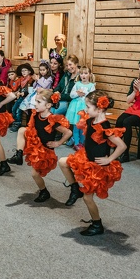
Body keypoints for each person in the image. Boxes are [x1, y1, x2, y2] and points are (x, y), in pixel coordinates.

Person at [59, 91, 126, 236]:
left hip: (97, 167)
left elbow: (122, 146)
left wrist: (109, 159)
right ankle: (74, 189)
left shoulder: (105, 127)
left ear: (99, 109)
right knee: (63, 162)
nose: (86, 109)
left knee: (87, 198)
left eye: (88, 107)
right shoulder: (90, 120)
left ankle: (97, 224)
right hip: (86, 158)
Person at [7, 90, 72, 201]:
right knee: (22, 130)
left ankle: (44, 192)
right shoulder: (36, 114)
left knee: (35, 174)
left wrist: (58, 143)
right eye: (35, 101)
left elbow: (68, 132)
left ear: (48, 105)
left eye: (38, 102)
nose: (35, 104)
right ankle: (18, 155)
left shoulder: (52, 119)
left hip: (45, 152)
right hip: (36, 145)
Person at [65, 65, 96, 149]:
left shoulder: (91, 86)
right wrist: (77, 94)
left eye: (86, 73)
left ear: (89, 74)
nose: (83, 75)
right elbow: (71, 95)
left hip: (85, 108)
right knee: (76, 126)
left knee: (83, 126)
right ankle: (76, 142)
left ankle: (82, 143)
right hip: (75, 107)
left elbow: (92, 97)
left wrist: (85, 94)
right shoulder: (77, 84)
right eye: (81, 73)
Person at [10, 63, 34, 132]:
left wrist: (24, 93)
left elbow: (30, 90)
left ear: (29, 71)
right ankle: (15, 121)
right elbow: (20, 88)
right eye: (22, 71)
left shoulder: (30, 80)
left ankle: (18, 123)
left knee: (18, 110)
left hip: (27, 98)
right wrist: (18, 92)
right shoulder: (22, 79)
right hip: (21, 97)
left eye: (25, 70)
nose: (23, 72)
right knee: (13, 108)